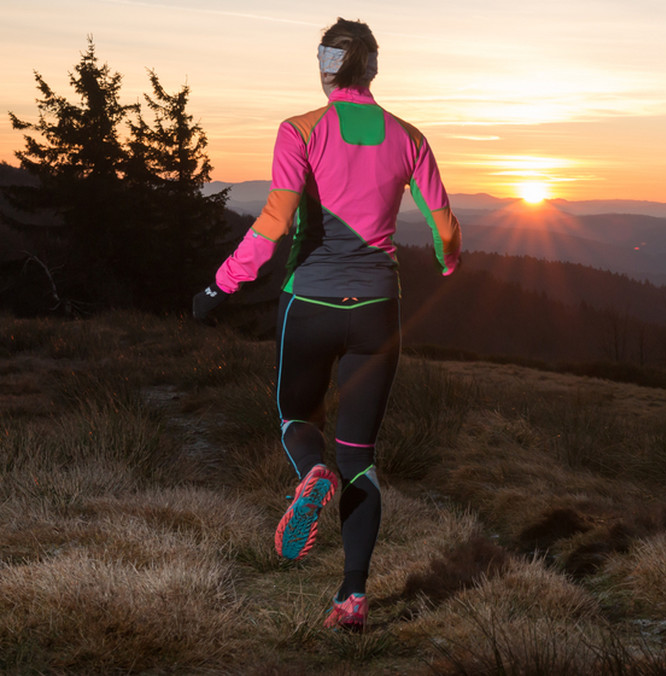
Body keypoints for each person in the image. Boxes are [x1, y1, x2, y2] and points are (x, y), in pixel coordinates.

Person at [192, 17, 462, 632]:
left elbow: (272, 225)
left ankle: (312, 473)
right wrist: (449, 264)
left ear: (325, 66)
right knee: (361, 459)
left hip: (309, 302)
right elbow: (444, 224)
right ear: (373, 68)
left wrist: (219, 285)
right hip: (377, 310)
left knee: (294, 419)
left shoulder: (300, 131)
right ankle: (352, 600)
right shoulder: (409, 136)